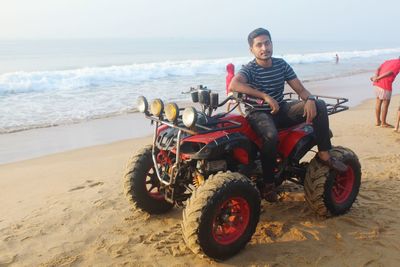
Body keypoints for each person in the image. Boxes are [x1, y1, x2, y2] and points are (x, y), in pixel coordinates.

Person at [229, 28, 347, 202]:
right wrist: (265, 96)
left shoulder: (281, 64)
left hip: (280, 110)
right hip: (257, 113)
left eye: (267, 43)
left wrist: (310, 99)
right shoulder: (250, 69)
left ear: (272, 44)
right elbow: (234, 84)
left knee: (319, 105)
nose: (264, 48)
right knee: (271, 135)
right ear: (252, 50)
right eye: (259, 45)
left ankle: (324, 153)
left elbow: (300, 89)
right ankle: (268, 184)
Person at [370, 57, 400, 127]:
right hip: (385, 85)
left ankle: (378, 121)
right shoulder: (399, 64)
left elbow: (378, 68)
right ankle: (383, 122)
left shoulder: (389, 61)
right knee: (385, 104)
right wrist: (377, 78)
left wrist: (376, 77)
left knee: (378, 102)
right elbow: (389, 72)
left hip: (377, 84)